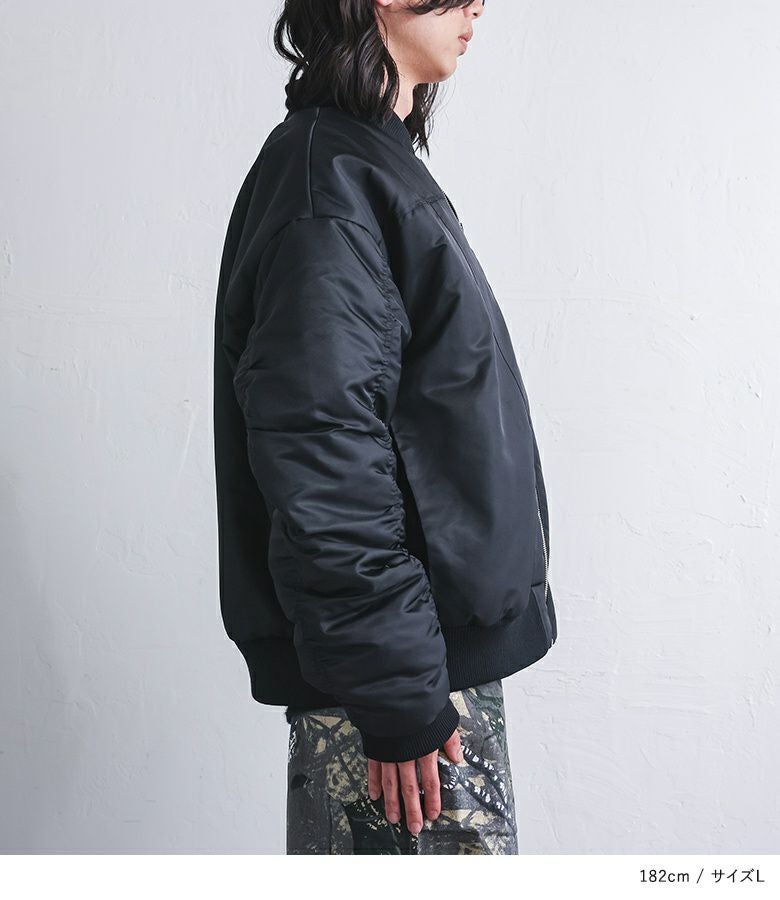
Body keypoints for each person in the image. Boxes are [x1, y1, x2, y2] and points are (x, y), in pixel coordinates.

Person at [212, 0, 557, 855]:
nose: (478, 5)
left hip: (415, 667)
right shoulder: (326, 181)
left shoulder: (365, 164)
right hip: (399, 688)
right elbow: (320, 448)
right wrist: (397, 691)